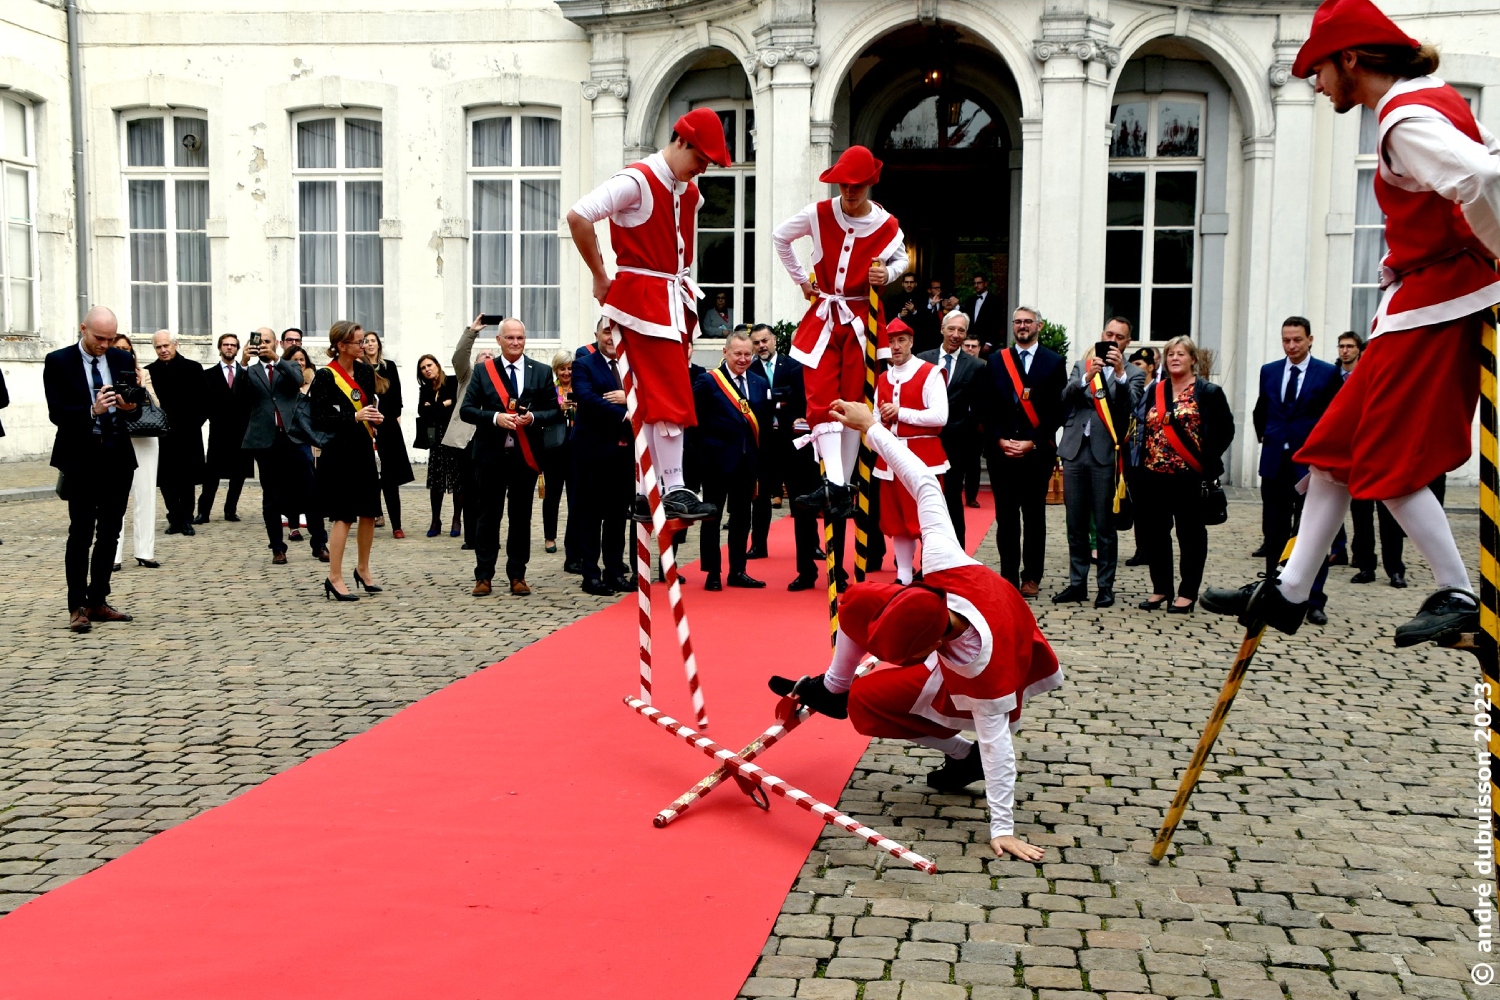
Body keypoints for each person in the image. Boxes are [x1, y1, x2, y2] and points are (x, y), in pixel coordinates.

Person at [1204, 0, 1500, 644]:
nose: (1314, 83)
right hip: (1418, 302)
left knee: (1383, 462)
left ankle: (1456, 589)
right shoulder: (1432, 97)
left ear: (1352, 58)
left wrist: (1492, 253)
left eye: (1318, 68)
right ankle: (1290, 589)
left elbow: (1482, 176)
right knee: (1334, 452)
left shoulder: (1405, 117)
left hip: (1436, 305)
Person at [769, 398, 1063, 863]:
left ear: (931, 647)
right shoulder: (945, 563)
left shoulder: (987, 678)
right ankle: (834, 686)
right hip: (949, 621)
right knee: (860, 606)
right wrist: (872, 430)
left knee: (966, 732)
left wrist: (1002, 827)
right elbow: (924, 482)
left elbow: (1000, 747)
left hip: (992, 653)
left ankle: (962, 754)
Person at [566, 108, 730, 524]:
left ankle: (647, 488)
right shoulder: (637, 179)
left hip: (672, 298)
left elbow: (682, 255)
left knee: (655, 395)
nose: (702, 169)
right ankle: (672, 486)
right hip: (644, 298)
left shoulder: (689, 192)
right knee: (668, 393)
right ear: (680, 141)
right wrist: (600, 276)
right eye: (700, 159)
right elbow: (579, 215)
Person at [773, 144, 908, 519]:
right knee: (819, 395)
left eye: (857, 185)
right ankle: (835, 482)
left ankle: (841, 485)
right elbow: (780, 237)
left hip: (862, 318)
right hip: (825, 312)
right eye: (844, 184)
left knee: (854, 400)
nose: (849, 192)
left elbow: (902, 258)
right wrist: (802, 280)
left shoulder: (887, 224)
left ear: (869, 185)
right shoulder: (818, 214)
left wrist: (889, 274)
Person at [44, 306, 140, 632]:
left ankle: (98, 599)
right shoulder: (58, 361)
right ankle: (77, 606)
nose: (105, 344)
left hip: (117, 456)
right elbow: (57, 413)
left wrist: (129, 406)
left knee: (111, 532)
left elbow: (132, 407)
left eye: (110, 338)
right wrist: (91, 409)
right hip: (81, 457)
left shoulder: (122, 359)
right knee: (81, 532)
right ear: (83, 328)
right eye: (99, 337)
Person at [461, 317, 562, 597]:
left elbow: (554, 411)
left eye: (520, 337)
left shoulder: (541, 372)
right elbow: (466, 411)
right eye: (510, 338)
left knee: (520, 518)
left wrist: (532, 418)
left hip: (524, 458)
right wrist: (495, 417)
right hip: (490, 457)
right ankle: (484, 576)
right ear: (499, 341)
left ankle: (518, 574)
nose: (515, 342)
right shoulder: (484, 371)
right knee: (488, 518)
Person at [1133, 336, 1235, 613]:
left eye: (1180, 354)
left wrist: (1206, 459)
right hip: (1154, 474)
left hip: (1190, 476)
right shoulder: (1155, 390)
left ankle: (1187, 593)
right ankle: (1160, 589)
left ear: (1193, 359)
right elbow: (1143, 427)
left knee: (1190, 534)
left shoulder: (1208, 392)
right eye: (1170, 354)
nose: (1175, 358)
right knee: (1155, 535)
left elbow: (1226, 430)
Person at [1250, 318, 1340, 624]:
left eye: (1297, 340)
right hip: (1275, 460)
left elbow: (1334, 416)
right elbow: (1262, 410)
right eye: (1286, 340)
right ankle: (1274, 590)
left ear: (1310, 339)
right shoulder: (1270, 371)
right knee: (1274, 531)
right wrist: (1270, 437)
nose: (1291, 346)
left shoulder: (1327, 374)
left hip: (1310, 464)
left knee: (1311, 532)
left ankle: (1313, 598)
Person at [1054, 318, 1145, 609]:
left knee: (1105, 526)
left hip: (1106, 454)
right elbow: (1065, 398)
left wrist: (1118, 374)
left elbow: (1129, 408)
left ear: (1127, 342)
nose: (1113, 339)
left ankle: (1105, 587)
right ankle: (1077, 583)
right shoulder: (1083, 366)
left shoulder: (1133, 373)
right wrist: (1086, 379)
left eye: (1120, 336)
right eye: (1109, 334)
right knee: (1075, 523)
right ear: (1102, 335)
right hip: (1074, 451)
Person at [983, 307, 1066, 596]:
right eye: (1017, 321)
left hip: (1036, 453)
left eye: (1028, 322)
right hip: (1002, 452)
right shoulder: (995, 361)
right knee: (1006, 517)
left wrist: (1033, 441)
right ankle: (1007, 576)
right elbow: (987, 407)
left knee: (1033, 516)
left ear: (1039, 326)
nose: (1022, 326)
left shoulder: (1054, 362)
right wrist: (999, 440)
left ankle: (1031, 575)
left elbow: (1057, 411)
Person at [310, 320, 385, 600]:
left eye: (364, 340)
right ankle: (335, 576)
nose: (364, 345)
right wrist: (353, 416)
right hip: (338, 453)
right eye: (358, 341)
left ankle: (363, 569)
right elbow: (319, 417)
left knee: (368, 511)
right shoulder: (325, 376)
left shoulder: (365, 371)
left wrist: (375, 417)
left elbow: (368, 405)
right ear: (341, 345)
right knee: (343, 516)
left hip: (363, 448)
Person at [693, 331, 772, 590]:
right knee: (712, 518)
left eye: (747, 354)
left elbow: (763, 426)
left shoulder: (760, 383)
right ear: (725, 353)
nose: (743, 359)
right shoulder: (709, 381)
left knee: (741, 518)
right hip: (715, 463)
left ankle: (738, 570)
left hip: (747, 463)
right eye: (737, 353)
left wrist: (760, 465)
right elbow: (695, 421)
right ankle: (712, 572)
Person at [874, 318, 948, 585]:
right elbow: (874, 418)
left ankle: (932, 572)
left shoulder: (931, 373)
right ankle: (903, 575)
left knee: (927, 518)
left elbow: (940, 416)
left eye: (901, 341)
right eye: (891, 342)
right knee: (897, 521)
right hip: (890, 459)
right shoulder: (883, 378)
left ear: (911, 342)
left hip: (923, 455)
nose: (895, 347)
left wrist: (901, 414)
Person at [240, 328, 322, 564]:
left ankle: (319, 543)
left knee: (310, 490)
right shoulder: (251, 370)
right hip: (265, 440)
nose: (263, 345)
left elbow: (298, 381)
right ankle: (277, 547)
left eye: (267, 341)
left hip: (293, 437)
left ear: (276, 343)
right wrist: (244, 363)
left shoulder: (289, 365)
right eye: (259, 342)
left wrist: (277, 359)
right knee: (272, 497)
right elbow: (238, 395)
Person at [571, 320, 635, 596]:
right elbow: (586, 397)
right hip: (592, 452)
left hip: (624, 453)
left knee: (617, 515)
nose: (612, 337)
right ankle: (590, 574)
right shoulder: (585, 364)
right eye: (607, 331)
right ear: (596, 333)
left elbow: (648, 394)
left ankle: (614, 571)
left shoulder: (631, 365)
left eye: (616, 331)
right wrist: (623, 412)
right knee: (590, 515)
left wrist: (629, 399)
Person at [917, 310, 986, 546]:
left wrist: (959, 429)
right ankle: (923, 556)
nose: (956, 335)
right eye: (951, 329)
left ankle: (956, 555)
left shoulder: (976, 366)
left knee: (952, 498)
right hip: (924, 440)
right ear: (942, 329)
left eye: (961, 330)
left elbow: (978, 407)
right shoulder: (923, 359)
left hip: (957, 445)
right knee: (923, 498)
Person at [748, 322, 806, 559]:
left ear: (774, 340)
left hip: (790, 439)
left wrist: (793, 415)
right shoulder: (749, 371)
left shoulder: (793, 367)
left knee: (799, 494)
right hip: (764, 442)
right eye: (757, 343)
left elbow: (801, 401)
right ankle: (758, 546)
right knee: (761, 498)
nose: (762, 346)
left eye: (765, 340)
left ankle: (809, 544)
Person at [146, 330, 206, 536]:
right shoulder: (149, 372)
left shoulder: (193, 368)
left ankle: (186, 518)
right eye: (158, 347)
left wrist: (193, 424)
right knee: (166, 479)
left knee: (187, 479)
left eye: (166, 346)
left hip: (188, 433)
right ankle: (174, 517)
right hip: (161, 434)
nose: (163, 350)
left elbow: (204, 403)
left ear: (175, 344)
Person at [109, 334, 161, 571]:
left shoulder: (144, 373)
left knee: (146, 492)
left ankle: (145, 551)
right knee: (115, 496)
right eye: (118, 348)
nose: (123, 353)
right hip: (118, 435)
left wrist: (140, 387)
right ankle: (113, 554)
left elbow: (157, 405)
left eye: (127, 349)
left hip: (145, 435)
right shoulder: (105, 372)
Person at [442, 316, 489, 548]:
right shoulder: (467, 376)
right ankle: (471, 537)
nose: (487, 359)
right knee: (469, 492)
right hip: (466, 440)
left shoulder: (500, 379)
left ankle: (487, 537)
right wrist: (472, 332)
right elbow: (459, 356)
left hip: (491, 438)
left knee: (489, 493)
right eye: (483, 356)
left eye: (491, 357)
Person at [361, 331, 414, 538]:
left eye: (373, 341)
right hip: (365, 425)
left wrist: (391, 418)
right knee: (368, 475)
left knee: (390, 477)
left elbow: (396, 396)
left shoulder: (388, 366)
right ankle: (374, 514)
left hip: (387, 425)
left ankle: (397, 525)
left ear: (379, 345)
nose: (370, 344)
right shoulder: (360, 368)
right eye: (366, 341)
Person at [275, 344, 325, 558]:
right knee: (284, 489)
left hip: (303, 440)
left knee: (311, 490)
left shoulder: (313, 383)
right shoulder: (280, 382)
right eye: (294, 359)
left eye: (302, 359)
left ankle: (319, 542)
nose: (299, 363)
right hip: (280, 439)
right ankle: (290, 529)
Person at [196, 332, 251, 524]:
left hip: (241, 432)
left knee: (239, 475)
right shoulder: (208, 375)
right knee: (211, 474)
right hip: (218, 431)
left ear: (237, 349)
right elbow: (203, 404)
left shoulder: (246, 374)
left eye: (233, 345)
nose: (229, 348)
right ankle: (203, 512)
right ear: (220, 348)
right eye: (226, 344)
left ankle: (230, 510)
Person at [415, 353, 463, 538]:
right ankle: (435, 520)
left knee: (457, 480)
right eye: (423, 368)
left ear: (437, 365)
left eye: (429, 365)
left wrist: (435, 407)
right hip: (436, 439)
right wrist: (443, 405)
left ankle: (457, 519)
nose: (427, 369)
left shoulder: (452, 382)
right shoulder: (425, 388)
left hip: (453, 435)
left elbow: (456, 406)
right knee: (436, 481)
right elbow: (423, 411)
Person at [542, 349, 578, 559]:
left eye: (570, 368)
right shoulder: (550, 390)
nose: (566, 373)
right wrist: (559, 408)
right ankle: (550, 537)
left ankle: (572, 538)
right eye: (562, 368)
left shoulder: (579, 388)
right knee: (552, 495)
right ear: (556, 370)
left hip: (575, 447)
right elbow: (544, 414)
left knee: (575, 496)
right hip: (554, 448)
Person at [962, 273, 1002, 349]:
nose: (976, 285)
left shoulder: (995, 301)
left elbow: (996, 323)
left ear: (986, 283)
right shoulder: (969, 301)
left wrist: (989, 343)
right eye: (974, 283)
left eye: (979, 283)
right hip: (970, 343)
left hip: (986, 343)